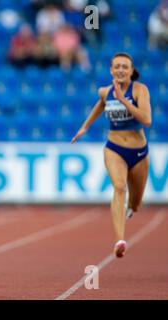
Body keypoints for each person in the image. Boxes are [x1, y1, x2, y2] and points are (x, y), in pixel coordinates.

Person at [71, 52, 151, 258]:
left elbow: (147, 120)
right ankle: (119, 240)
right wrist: (84, 127)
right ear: (111, 70)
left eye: (125, 66)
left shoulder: (140, 90)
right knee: (119, 186)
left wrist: (124, 101)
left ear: (131, 71)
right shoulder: (105, 92)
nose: (121, 70)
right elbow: (100, 106)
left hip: (139, 152)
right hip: (114, 148)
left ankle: (131, 208)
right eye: (117, 66)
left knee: (136, 203)